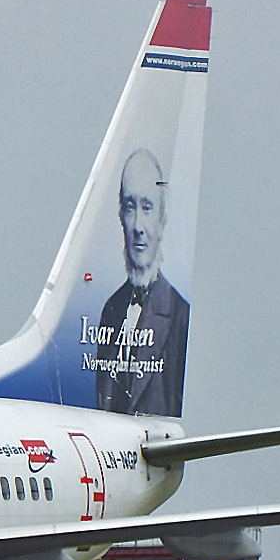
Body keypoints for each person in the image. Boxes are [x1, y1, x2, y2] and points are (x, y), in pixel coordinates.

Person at [94, 148, 189, 416]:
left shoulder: (179, 314)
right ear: (120, 216)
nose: (137, 225)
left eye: (147, 208)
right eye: (129, 207)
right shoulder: (111, 310)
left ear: (162, 219)